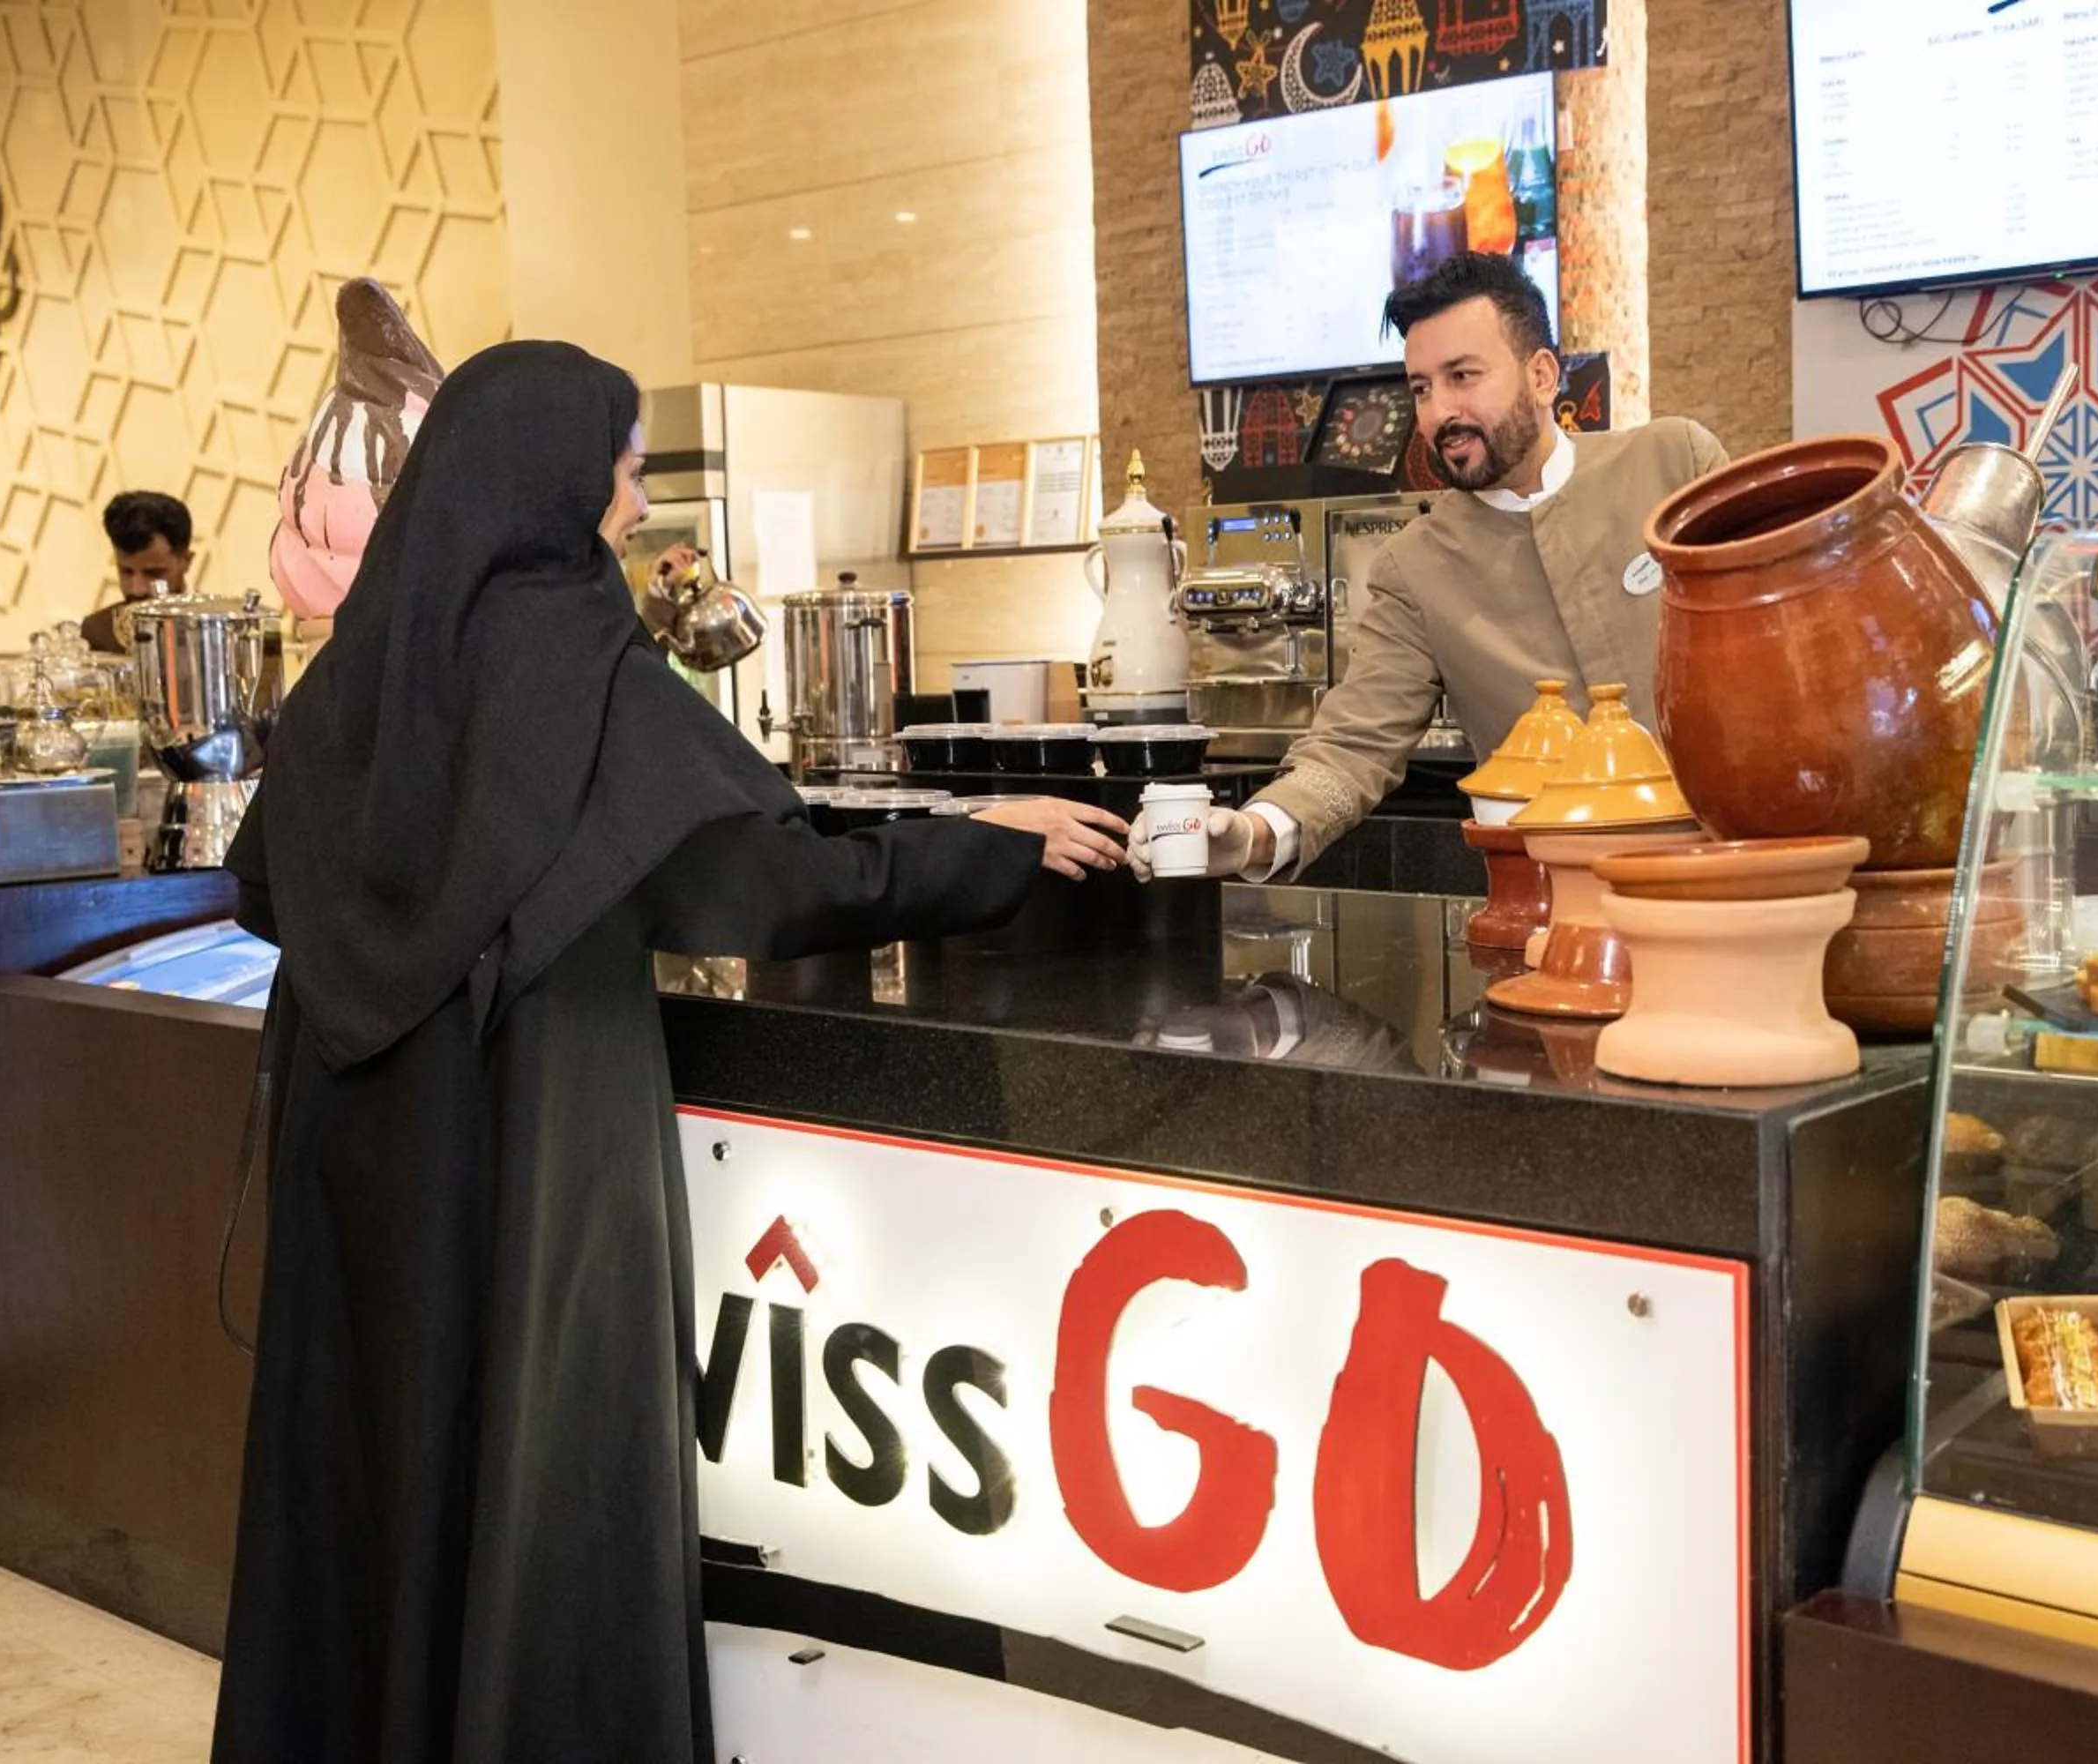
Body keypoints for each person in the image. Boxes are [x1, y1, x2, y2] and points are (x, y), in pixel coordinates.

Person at [209, 341, 1124, 1763]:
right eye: (625, 469)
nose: (635, 506)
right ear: (554, 481)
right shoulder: (578, 667)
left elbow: (265, 881)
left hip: (354, 1156)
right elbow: (765, 890)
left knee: (370, 1494)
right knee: (539, 1491)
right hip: (532, 1146)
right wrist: (980, 850)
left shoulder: (351, 676)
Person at [1136, 252, 1729, 882]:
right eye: (1421, 388)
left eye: (1463, 376)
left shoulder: (1675, 465)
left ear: (1542, 375)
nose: (1439, 411)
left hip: (1734, 871)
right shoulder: (1416, 566)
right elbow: (1351, 749)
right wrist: (1254, 834)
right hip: (1555, 905)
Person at [84, 489, 195, 653]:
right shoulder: (97, 633)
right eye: (126, 571)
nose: (136, 589)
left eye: (153, 574)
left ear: (186, 561)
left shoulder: (224, 630)